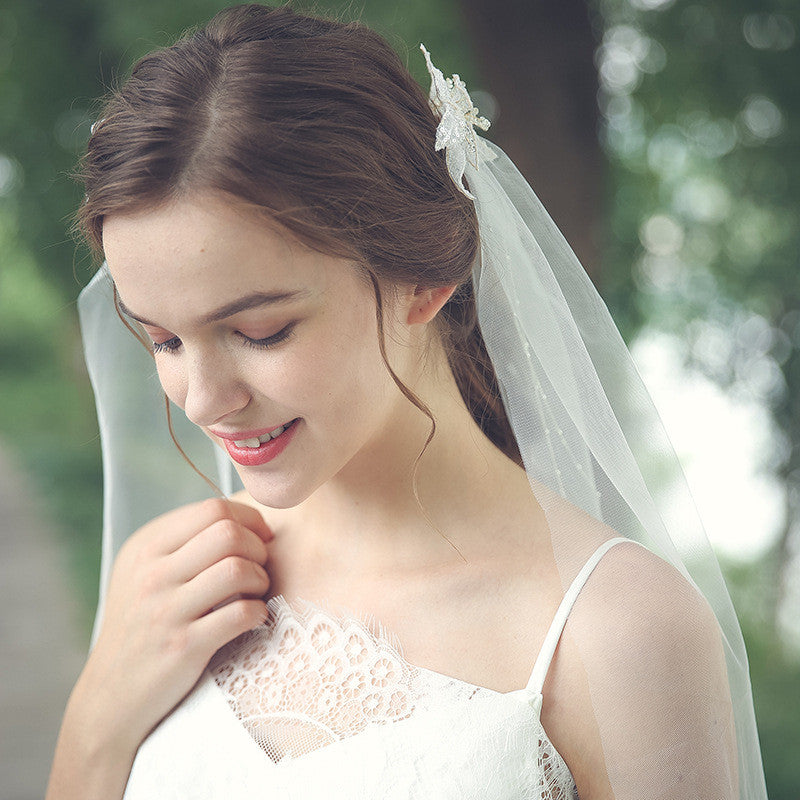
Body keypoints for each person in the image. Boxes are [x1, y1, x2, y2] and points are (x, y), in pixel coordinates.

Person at [46, 3, 768, 799]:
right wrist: (98, 716)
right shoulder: (174, 578)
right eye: (164, 341)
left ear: (424, 278)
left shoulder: (621, 633)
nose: (206, 400)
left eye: (261, 330)